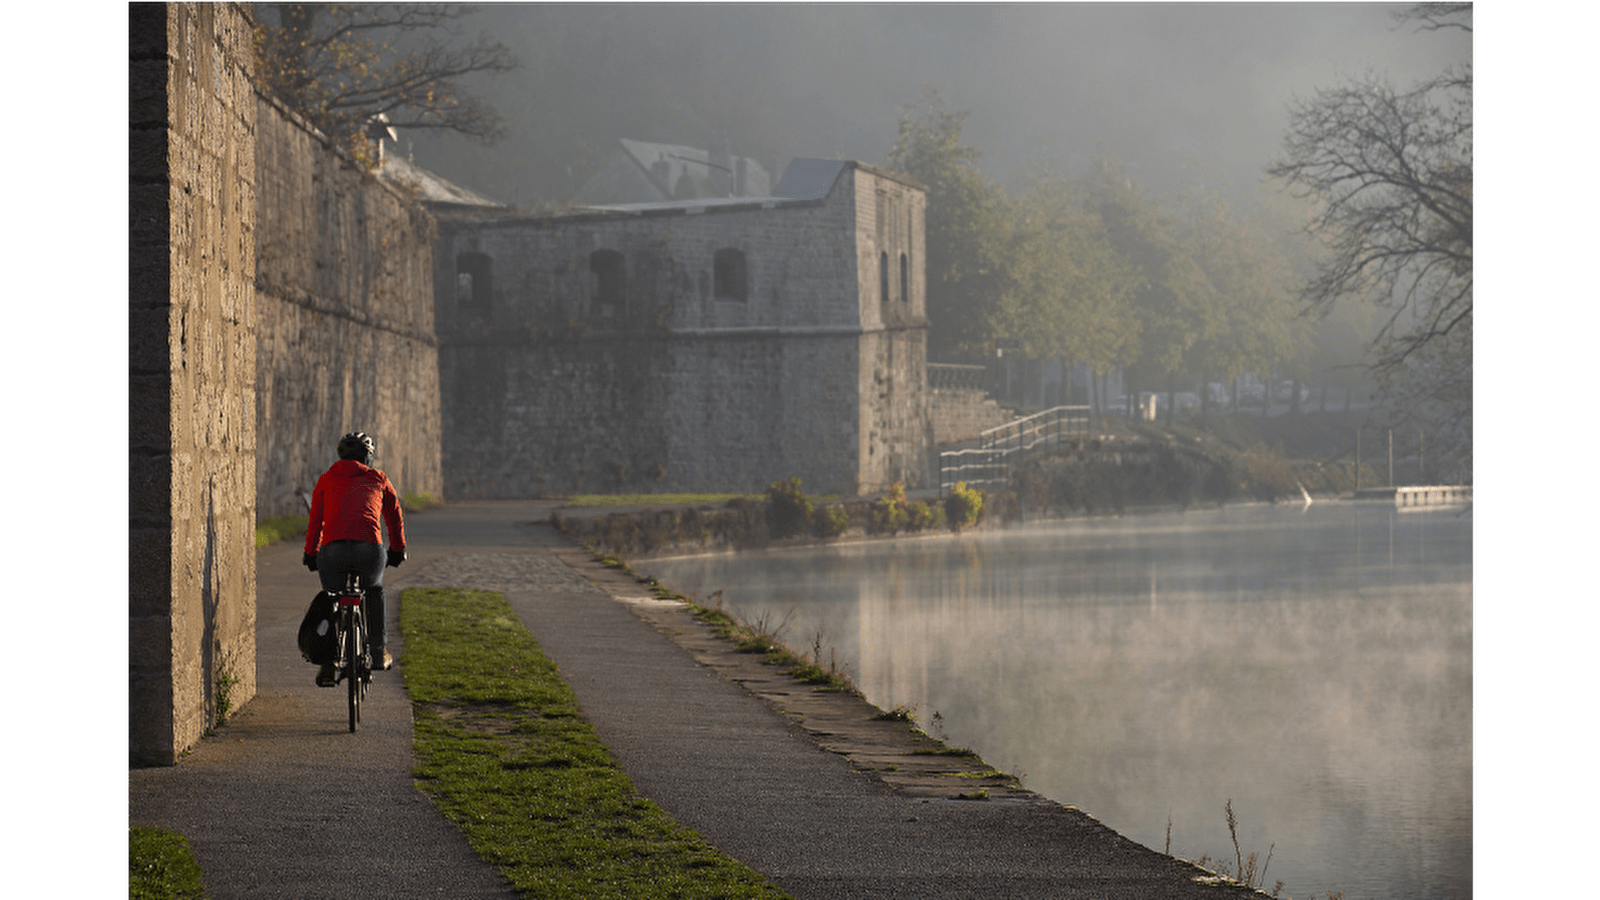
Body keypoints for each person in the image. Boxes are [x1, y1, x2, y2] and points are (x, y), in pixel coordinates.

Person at [303, 431, 407, 686]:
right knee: (374, 589)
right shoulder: (379, 478)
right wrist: (398, 549)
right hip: (369, 550)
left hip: (333, 551)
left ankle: (328, 663)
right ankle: (378, 651)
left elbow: (316, 520)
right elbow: (393, 517)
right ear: (367, 458)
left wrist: (310, 553)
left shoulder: (326, 480)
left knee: (332, 598)